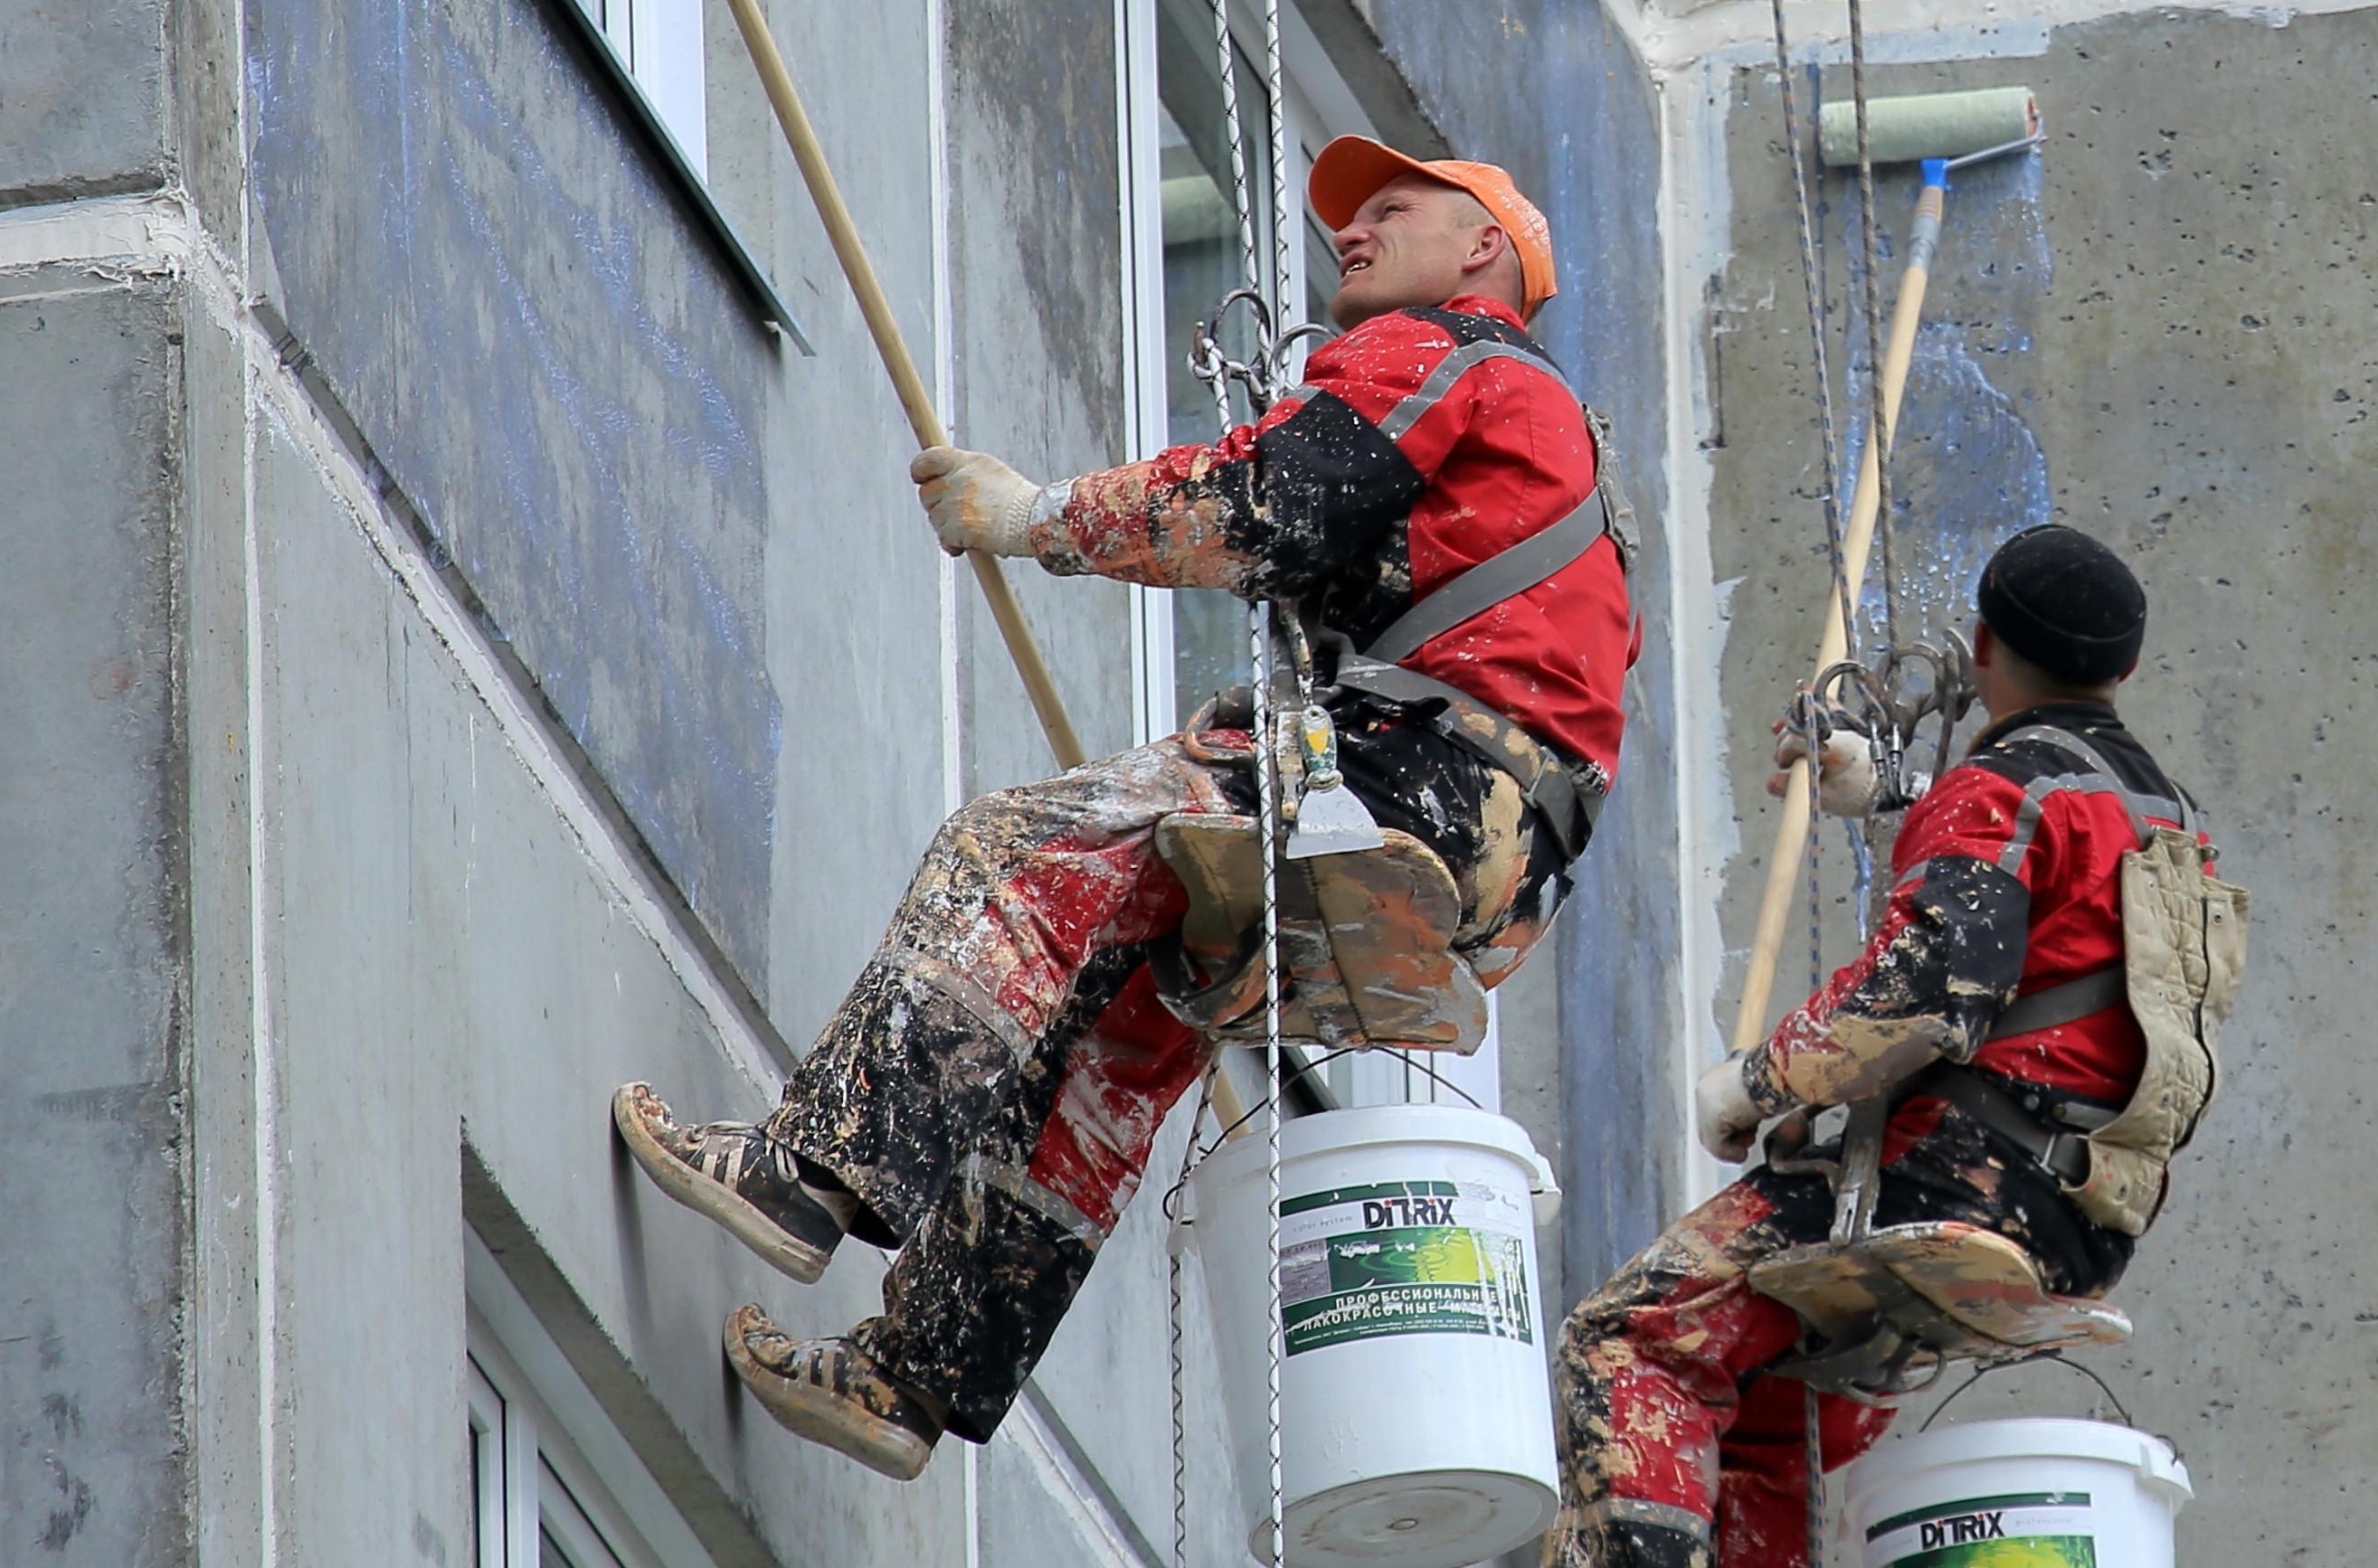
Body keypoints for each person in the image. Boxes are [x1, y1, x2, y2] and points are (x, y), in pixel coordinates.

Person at [607, 136, 1632, 1482]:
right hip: (1494, 851)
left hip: (1414, 778)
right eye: (1353, 219)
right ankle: (912, 1379)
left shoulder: (1447, 353)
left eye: (1393, 210)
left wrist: (1036, 515)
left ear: (1483, 250)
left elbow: (1260, 504)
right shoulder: (1559, 443)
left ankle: (816, 1169)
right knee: (1122, 1034)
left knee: (1022, 852)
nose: (1355, 238)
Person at [1488, 526, 2212, 1568]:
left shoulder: (2007, 796)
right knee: (1770, 1415)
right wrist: (1888, 800)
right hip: (2074, 1221)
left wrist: (1759, 1085)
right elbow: (2053, 931)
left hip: (1948, 1175)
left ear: (1984, 646)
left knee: (1638, 1336)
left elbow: (1934, 986)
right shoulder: (2166, 824)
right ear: (2121, 670)